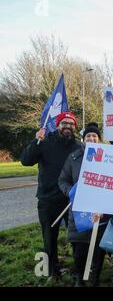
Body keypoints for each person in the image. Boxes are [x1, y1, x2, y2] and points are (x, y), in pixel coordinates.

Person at [21, 111, 82, 279]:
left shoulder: (79, 146)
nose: (68, 126)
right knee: (49, 238)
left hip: (71, 200)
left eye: (71, 124)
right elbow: (26, 160)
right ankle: (52, 271)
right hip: (48, 199)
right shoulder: (44, 142)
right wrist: (36, 141)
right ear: (57, 125)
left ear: (75, 127)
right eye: (64, 123)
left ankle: (79, 270)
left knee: (77, 238)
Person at [58, 122, 109, 287]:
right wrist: (71, 192)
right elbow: (63, 179)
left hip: (100, 210)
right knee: (79, 249)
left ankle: (95, 276)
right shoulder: (74, 157)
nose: (92, 138)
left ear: (99, 139)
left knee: (98, 248)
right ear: (84, 139)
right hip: (79, 211)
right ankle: (79, 277)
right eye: (88, 136)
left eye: (94, 136)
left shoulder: (109, 157)